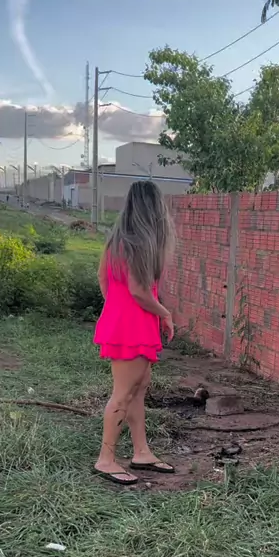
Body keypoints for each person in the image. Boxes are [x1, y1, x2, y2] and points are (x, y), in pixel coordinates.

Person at [94, 180, 175, 485]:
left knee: (138, 389)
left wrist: (116, 310)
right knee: (123, 394)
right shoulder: (140, 243)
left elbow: (103, 278)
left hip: (125, 324)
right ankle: (106, 460)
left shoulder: (116, 241)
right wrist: (165, 313)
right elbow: (139, 291)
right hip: (133, 328)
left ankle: (141, 452)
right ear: (154, 208)